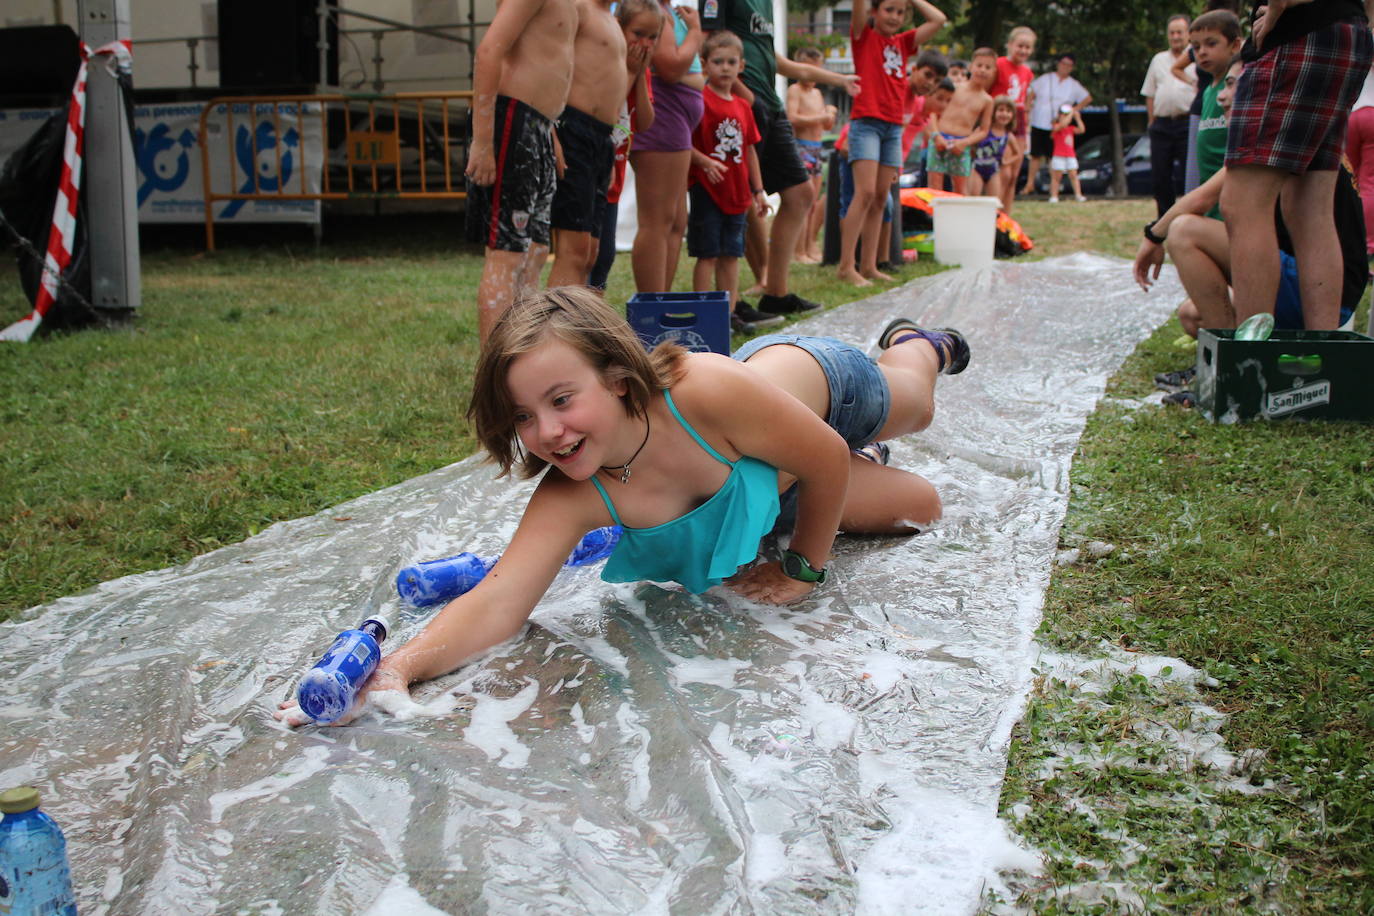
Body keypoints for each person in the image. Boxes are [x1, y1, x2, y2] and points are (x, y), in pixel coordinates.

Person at [276, 286, 971, 726]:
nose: (548, 432)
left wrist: (802, 569)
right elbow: (499, 600)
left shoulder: (704, 390)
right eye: (523, 417)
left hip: (819, 391)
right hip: (769, 475)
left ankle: (918, 345)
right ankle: (844, 467)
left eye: (561, 400)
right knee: (920, 503)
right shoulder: (573, 491)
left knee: (916, 408)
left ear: (615, 377)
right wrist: (398, 666)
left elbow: (824, 457)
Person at [1134, 57, 1367, 402]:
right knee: (1191, 315)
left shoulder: (1276, 140)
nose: (1222, 96)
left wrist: (1154, 236)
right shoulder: (1295, 131)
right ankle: (1249, 357)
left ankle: (1232, 366)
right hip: (1328, 290)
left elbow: (1200, 199)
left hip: (1319, 291)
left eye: (1232, 84)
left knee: (1184, 232)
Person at [700, 0, 860, 317]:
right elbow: (708, 47)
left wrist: (839, 80)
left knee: (801, 193)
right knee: (737, 199)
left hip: (770, 108)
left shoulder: (766, 5)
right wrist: (745, 98)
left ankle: (775, 292)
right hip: (741, 108)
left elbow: (778, 61)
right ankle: (731, 302)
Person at [1220, 0, 1372, 331]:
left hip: (1295, 35)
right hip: (1347, 32)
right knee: (1309, 209)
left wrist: (1277, 8)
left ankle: (1253, 354)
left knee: (1243, 204)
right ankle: (1321, 348)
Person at [464, 0, 577, 342]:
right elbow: (488, 52)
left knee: (535, 251)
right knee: (508, 252)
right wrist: (483, 141)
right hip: (514, 120)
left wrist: (550, 133)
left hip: (538, 125)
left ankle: (522, 355)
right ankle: (495, 368)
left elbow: (548, 61)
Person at [837, 0, 947, 287]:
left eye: (900, 12)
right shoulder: (864, 36)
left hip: (893, 127)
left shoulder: (903, 42)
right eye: (889, 10)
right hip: (866, 123)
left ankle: (869, 265)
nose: (895, 17)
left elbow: (938, 19)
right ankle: (846, 265)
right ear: (875, 12)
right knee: (864, 193)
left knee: (880, 197)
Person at [688, 32, 773, 332]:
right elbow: (685, 142)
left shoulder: (742, 106)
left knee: (732, 254)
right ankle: (702, 311)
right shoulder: (700, 100)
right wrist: (704, 162)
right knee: (707, 254)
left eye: (731, 62)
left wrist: (758, 190)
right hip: (707, 190)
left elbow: (749, 150)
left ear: (741, 66)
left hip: (738, 193)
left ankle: (729, 313)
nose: (725, 68)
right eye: (718, 61)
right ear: (704, 64)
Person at [546, 0, 630, 288]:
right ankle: (555, 317)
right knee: (573, 249)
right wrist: (552, 132)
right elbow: (549, 65)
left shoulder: (611, 19)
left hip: (602, 138)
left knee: (590, 252)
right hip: (574, 131)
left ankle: (575, 316)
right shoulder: (578, 8)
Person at [629, 0, 704, 296]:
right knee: (657, 221)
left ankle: (662, 300)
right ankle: (651, 308)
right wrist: (695, 31)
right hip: (664, 114)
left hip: (676, 117)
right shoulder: (655, 12)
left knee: (674, 221)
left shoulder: (668, 11)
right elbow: (671, 67)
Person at [588, 0, 661, 293]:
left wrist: (640, 75)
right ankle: (577, 313)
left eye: (652, 37)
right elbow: (608, 108)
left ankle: (594, 313)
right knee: (587, 254)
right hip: (595, 170)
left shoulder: (639, 70)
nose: (644, 44)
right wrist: (630, 72)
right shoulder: (607, 61)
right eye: (638, 34)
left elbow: (644, 121)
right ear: (619, 28)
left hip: (614, 175)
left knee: (605, 256)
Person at [786, 47, 838, 265]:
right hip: (802, 147)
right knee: (803, 202)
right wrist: (820, 117)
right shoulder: (795, 90)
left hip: (816, 148)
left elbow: (826, 125)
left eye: (817, 68)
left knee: (813, 203)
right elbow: (792, 118)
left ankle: (809, 246)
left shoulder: (817, 94)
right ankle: (798, 251)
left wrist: (830, 114)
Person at [1141, 15, 1196, 216]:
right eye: (1171, 33)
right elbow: (1150, 92)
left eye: (1179, 32)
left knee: (1189, 175)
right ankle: (1164, 221)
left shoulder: (1197, 57)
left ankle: (1190, 217)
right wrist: (1151, 121)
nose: (1175, 37)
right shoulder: (1158, 59)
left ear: (1188, 34)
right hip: (1162, 125)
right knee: (1160, 176)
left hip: (1187, 123)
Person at [926, 46, 994, 195]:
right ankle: (932, 211)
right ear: (971, 66)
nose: (982, 70)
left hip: (962, 144)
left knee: (960, 188)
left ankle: (959, 210)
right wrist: (936, 136)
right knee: (934, 186)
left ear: (993, 71)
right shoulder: (954, 88)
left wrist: (965, 142)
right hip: (940, 139)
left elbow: (984, 130)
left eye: (988, 67)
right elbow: (933, 112)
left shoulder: (987, 100)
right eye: (979, 65)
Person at [1024, 53, 1091, 197]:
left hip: (1058, 125)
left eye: (1069, 65)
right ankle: (1030, 184)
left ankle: (1053, 188)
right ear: (1058, 64)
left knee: (1053, 157)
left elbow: (1087, 98)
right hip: (1039, 120)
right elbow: (1031, 92)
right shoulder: (1046, 78)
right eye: (1063, 63)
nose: (1065, 67)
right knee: (1035, 155)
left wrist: (1073, 111)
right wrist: (1027, 109)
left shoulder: (1073, 85)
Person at [989, 25, 1035, 211]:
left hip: (1019, 117)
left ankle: (1007, 215)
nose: (1023, 50)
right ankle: (996, 213)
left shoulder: (1027, 72)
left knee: (1014, 172)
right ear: (1010, 45)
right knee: (1004, 171)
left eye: (1027, 47)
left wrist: (1027, 117)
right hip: (1000, 117)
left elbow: (1026, 97)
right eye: (1020, 46)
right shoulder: (999, 65)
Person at [1345, 59, 1374, 262]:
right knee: (1370, 183)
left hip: (1352, 114)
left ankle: (1351, 237)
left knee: (1352, 181)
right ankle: (1369, 243)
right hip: (1371, 115)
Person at [967, 96, 1020, 199]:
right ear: (992, 112)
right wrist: (972, 154)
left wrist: (1006, 161)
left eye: (1008, 111)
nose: (1004, 114)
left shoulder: (1008, 135)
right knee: (973, 196)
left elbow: (1017, 153)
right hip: (977, 167)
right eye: (1001, 110)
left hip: (994, 170)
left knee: (995, 199)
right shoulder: (984, 130)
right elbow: (970, 142)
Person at [1046, 104, 1086, 203]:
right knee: (1057, 177)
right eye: (1063, 115)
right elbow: (1062, 125)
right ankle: (1054, 196)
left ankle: (1078, 195)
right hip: (1058, 155)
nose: (1065, 117)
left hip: (1070, 155)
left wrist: (1077, 118)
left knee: (1073, 175)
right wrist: (1071, 113)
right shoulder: (1055, 126)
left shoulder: (1071, 128)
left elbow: (1082, 130)